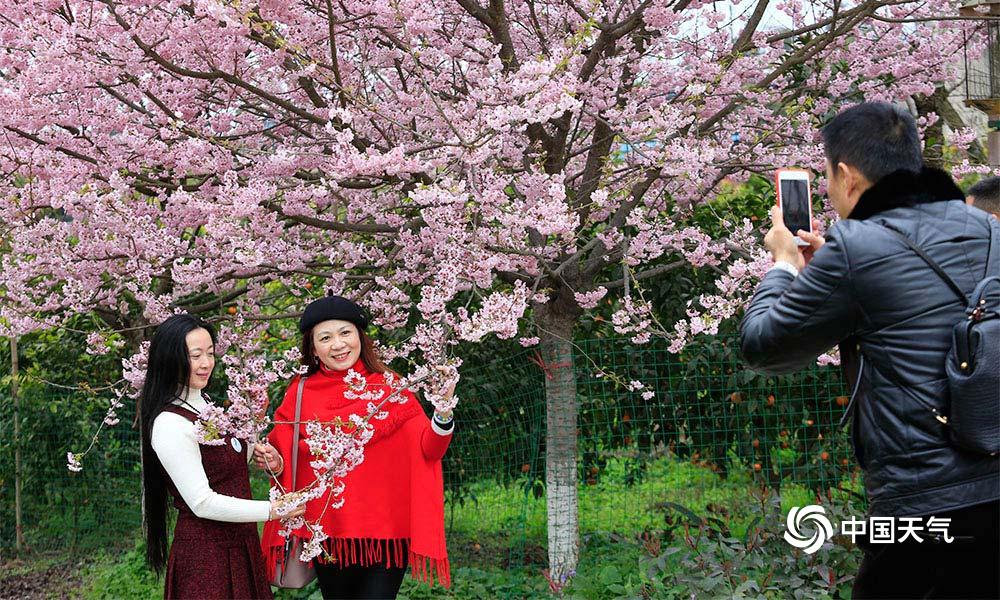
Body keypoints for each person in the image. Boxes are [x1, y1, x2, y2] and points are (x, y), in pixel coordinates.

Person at [740, 102, 999, 598]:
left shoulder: (856, 246)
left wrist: (784, 265)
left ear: (847, 175)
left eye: (827, 179)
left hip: (923, 503)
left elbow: (764, 346)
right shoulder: (990, 229)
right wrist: (834, 271)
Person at [257, 296, 456, 599]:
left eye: (345, 333)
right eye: (325, 338)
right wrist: (274, 460)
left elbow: (430, 449)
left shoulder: (390, 386)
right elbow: (283, 453)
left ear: (360, 337)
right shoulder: (300, 392)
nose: (338, 345)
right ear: (313, 348)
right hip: (327, 532)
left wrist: (443, 411)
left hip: (387, 532)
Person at [139, 314, 305, 599]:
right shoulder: (170, 423)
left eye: (210, 353)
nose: (206, 363)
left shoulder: (205, 405)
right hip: (206, 557)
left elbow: (227, 462)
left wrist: (258, 435)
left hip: (241, 544)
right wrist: (273, 510)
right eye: (195, 356)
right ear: (170, 358)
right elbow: (202, 503)